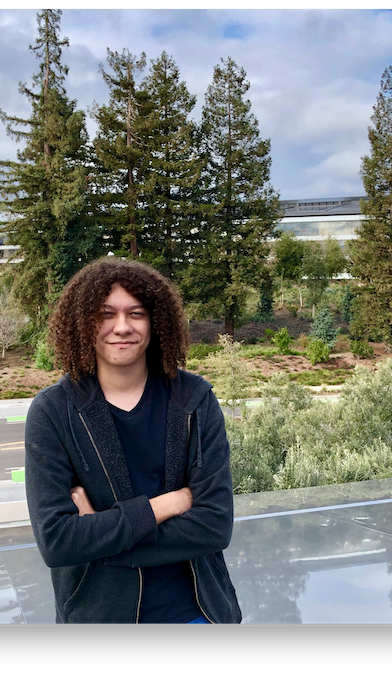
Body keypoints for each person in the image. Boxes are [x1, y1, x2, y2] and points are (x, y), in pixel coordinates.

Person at [25, 257, 241, 624]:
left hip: (198, 613)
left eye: (136, 313)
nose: (121, 327)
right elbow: (59, 541)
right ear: (83, 323)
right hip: (99, 614)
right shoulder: (53, 412)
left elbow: (214, 526)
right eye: (106, 314)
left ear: (156, 322)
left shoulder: (193, 399)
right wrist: (167, 505)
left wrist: (100, 538)